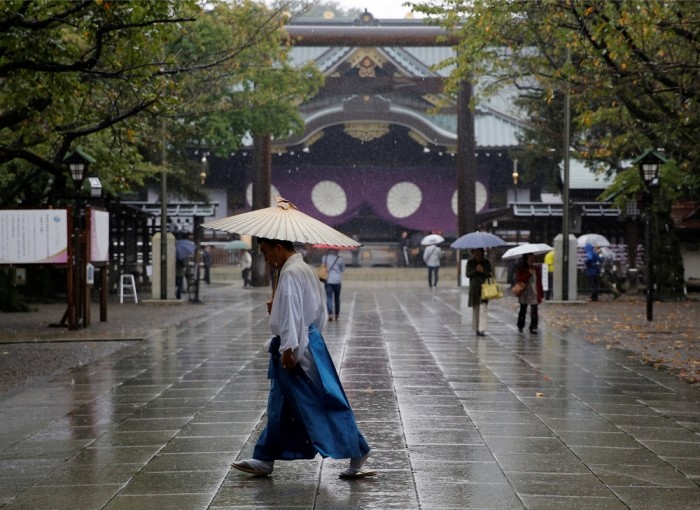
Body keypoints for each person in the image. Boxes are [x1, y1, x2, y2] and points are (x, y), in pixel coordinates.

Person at [231, 238, 375, 479]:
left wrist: (289, 349)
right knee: (281, 404)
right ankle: (265, 456)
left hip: (296, 346)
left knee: (316, 403)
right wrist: (278, 311)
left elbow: (292, 316)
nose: (266, 259)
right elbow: (318, 311)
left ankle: (358, 449)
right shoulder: (304, 269)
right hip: (309, 341)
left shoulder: (289, 275)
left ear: (279, 248)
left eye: (266, 252)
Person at [466, 248, 492, 336]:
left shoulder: (486, 262)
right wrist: (475, 270)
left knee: (483, 308)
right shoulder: (470, 262)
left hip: (485, 288)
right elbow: (468, 274)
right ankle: (477, 327)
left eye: (479, 251)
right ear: (473, 252)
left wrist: (483, 271)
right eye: (475, 251)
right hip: (474, 288)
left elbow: (490, 274)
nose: (477, 253)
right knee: (476, 309)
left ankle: (482, 329)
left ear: (482, 252)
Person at [515, 253, 544, 333]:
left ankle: (533, 326)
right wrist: (528, 273)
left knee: (534, 309)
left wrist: (541, 292)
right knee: (523, 308)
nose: (533, 258)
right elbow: (519, 279)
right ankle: (520, 325)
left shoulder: (536, 268)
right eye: (531, 257)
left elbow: (539, 281)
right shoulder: (522, 268)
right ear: (527, 258)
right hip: (525, 291)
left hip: (534, 291)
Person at [321, 249, 345, 321]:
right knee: (337, 298)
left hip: (328, 280)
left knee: (329, 298)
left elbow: (323, 267)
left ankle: (330, 314)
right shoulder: (340, 259)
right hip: (337, 281)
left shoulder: (324, 257)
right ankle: (337, 314)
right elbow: (342, 269)